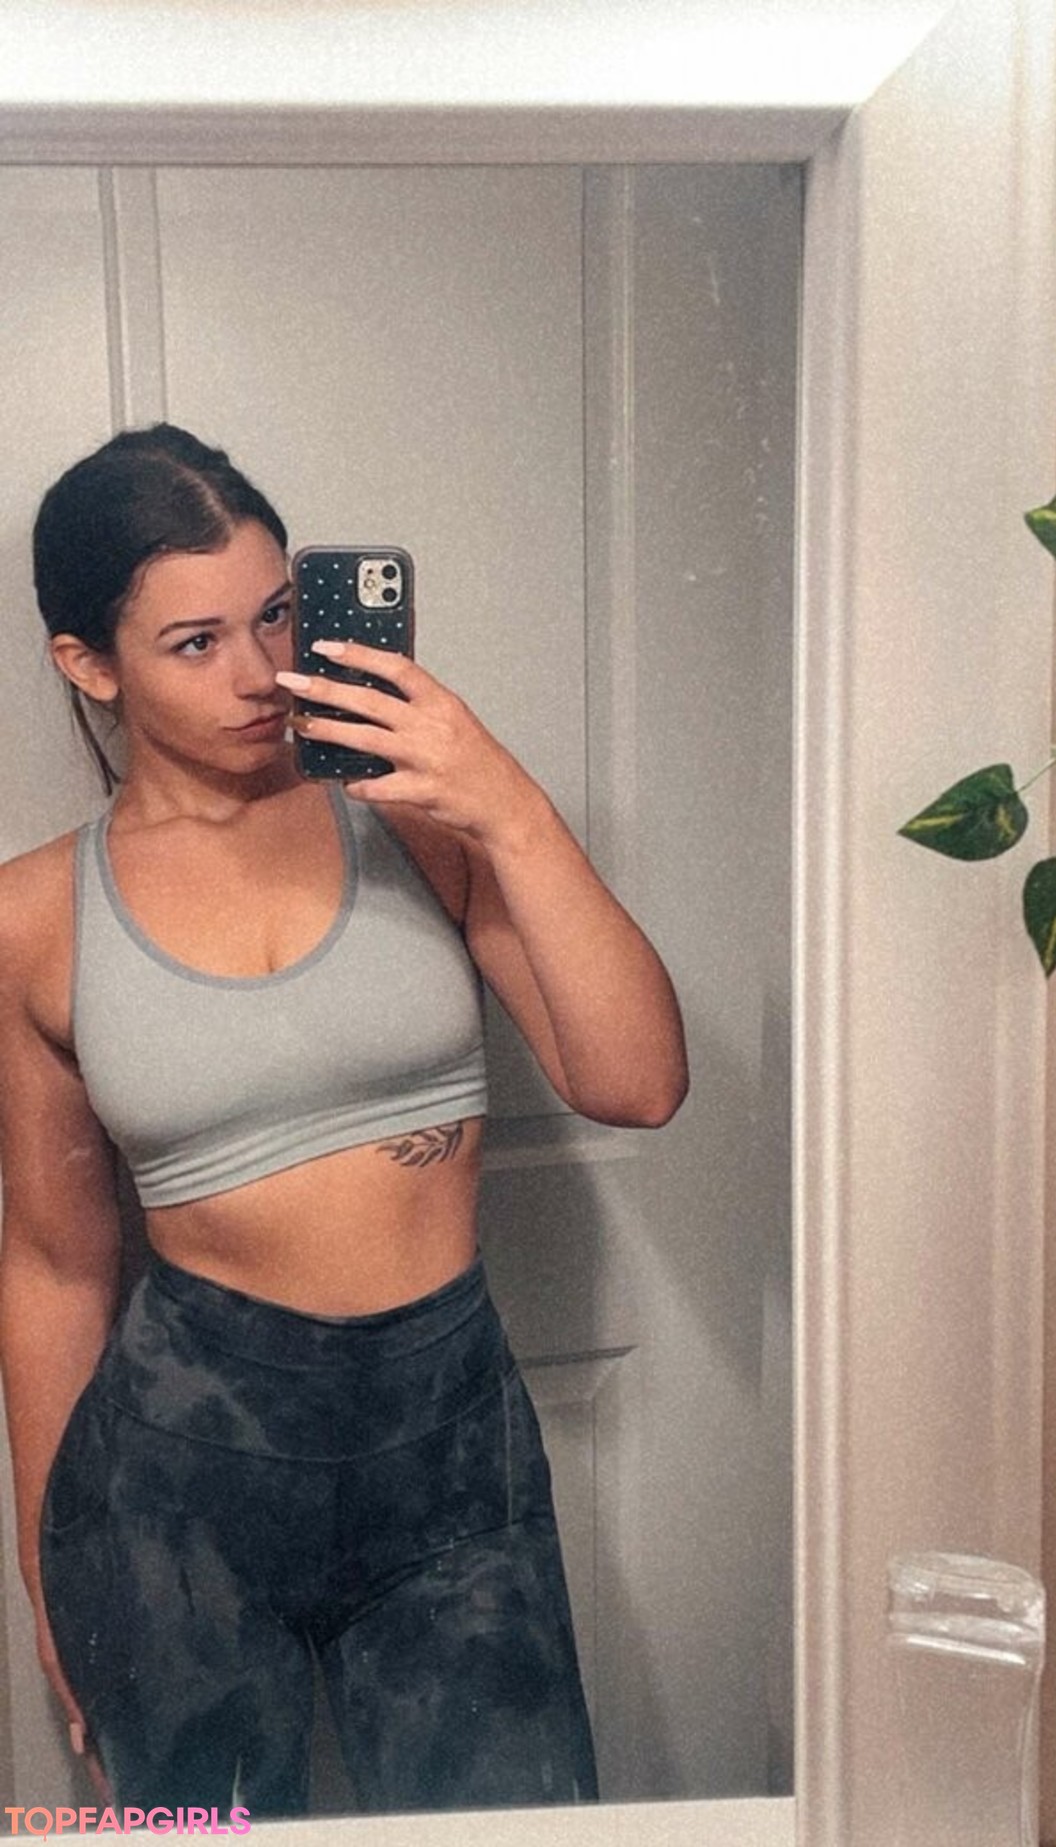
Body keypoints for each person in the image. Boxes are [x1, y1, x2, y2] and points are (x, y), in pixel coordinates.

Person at [0, 424, 689, 1817]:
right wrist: (49, 1572)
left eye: (275, 614)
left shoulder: (413, 820)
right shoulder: (33, 918)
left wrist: (504, 802)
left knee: (515, 1832)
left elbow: (638, 1083)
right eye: (195, 642)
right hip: (178, 1479)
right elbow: (56, 1265)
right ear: (90, 663)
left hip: (450, 1447)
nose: (260, 673)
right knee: (204, 1836)